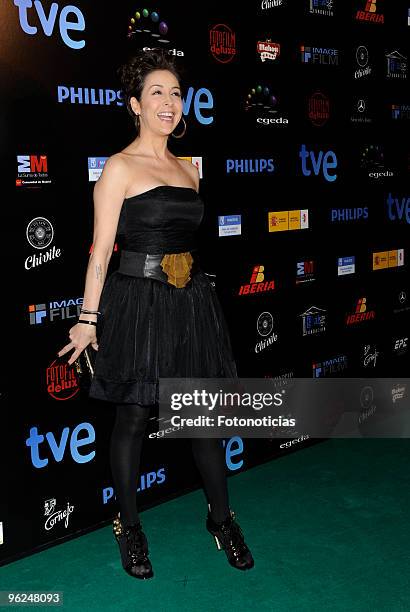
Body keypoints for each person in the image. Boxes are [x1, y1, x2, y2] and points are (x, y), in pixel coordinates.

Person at [57, 48, 254, 579]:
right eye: (156, 93)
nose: (168, 102)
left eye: (175, 93)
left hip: (190, 303)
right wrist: (88, 318)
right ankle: (129, 525)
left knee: (202, 419)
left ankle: (221, 518)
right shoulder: (119, 167)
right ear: (135, 105)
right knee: (134, 417)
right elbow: (100, 251)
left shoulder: (189, 169)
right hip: (138, 302)